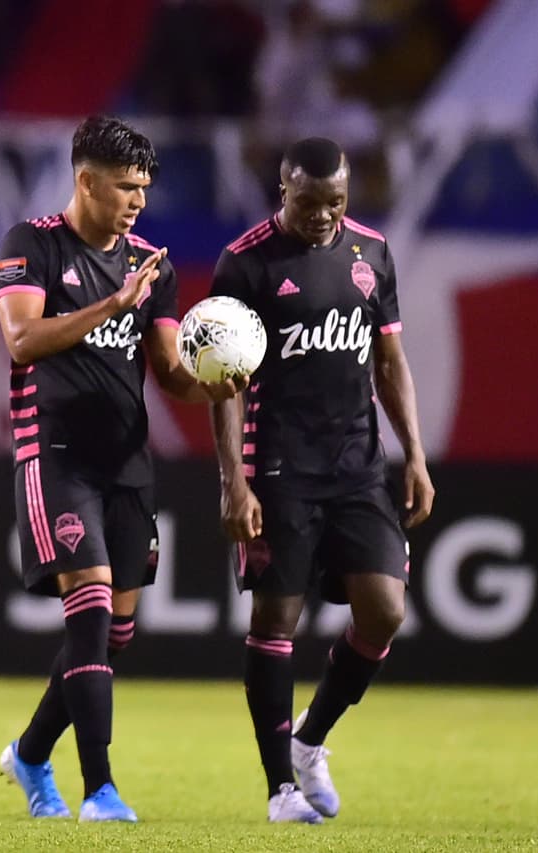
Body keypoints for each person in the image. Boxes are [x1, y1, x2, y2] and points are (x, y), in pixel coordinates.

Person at [0, 115, 244, 823]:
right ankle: (99, 789)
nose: (139, 201)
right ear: (86, 181)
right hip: (55, 457)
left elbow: (169, 370)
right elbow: (22, 340)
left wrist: (216, 382)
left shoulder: (150, 268)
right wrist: (111, 303)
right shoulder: (33, 244)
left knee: (112, 635)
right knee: (93, 607)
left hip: (128, 464)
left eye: (144, 188)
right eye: (127, 187)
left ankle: (30, 752)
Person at [208, 137, 435, 824]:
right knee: (276, 620)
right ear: (284, 190)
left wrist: (415, 454)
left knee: (385, 611)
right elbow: (223, 383)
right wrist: (233, 481)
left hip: (358, 467)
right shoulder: (245, 263)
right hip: (279, 468)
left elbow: (389, 362)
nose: (323, 216)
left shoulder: (372, 253)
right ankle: (280, 789)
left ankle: (309, 740)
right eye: (309, 202)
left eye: (335, 202)